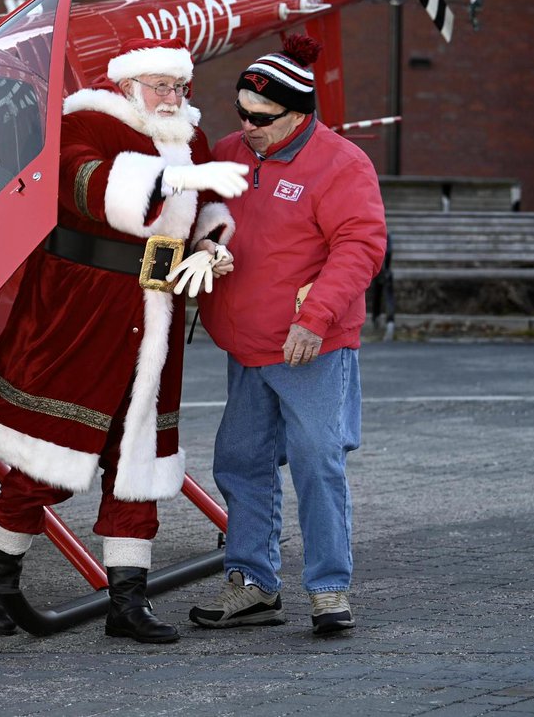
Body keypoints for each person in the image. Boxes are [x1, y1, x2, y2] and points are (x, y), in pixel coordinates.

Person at [0, 37, 248, 643]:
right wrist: (179, 175)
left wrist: (210, 246)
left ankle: (129, 602)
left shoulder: (190, 139)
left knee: (140, 460)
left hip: (156, 321)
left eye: (180, 87)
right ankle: (0, 587)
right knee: (45, 455)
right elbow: (96, 189)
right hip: (80, 318)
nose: (175, 98)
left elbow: (203, 212)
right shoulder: (85, 123)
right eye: (162, 86)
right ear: (128, 87)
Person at [190, 35, 387, 635]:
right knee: (241, 460)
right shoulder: (229, 153)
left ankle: (329, 590)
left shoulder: (341, 163)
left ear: (299, 115)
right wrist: (205, 245)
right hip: (248, 346)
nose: (246, 127)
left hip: (312, 345)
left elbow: (361, 246)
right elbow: (203, 219)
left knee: (317, 460)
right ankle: (253, 584)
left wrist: (315, 317)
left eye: (261, 119)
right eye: (241, 113)